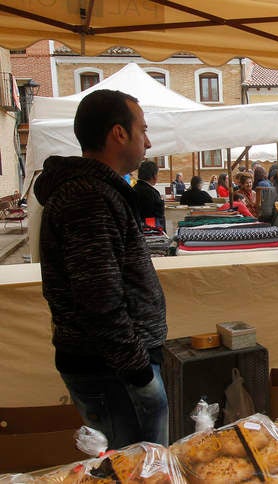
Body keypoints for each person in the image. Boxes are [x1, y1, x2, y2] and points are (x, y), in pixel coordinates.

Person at [33, 89, 168, 449]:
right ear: (118, 133)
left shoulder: (97, 191)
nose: (148, 141)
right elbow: (99, 298)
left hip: (115, 368)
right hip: (113, 372)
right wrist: (140, 373)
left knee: (137, 465)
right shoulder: (88, 197)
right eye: (142, 129)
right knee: (137, 469)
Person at [134, 160, 165, 229]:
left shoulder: (133, 189)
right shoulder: (152, 193)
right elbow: (154, 218)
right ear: (154, 176)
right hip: (151, 231)